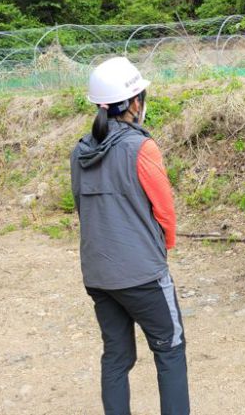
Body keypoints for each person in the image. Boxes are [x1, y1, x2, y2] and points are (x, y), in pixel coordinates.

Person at [70, 57, 190, 415]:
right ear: (135, 102)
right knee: (170, 349)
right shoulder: (142, 147)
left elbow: (82, 208)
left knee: (116, 356)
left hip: (98, 274)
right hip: (142, 274)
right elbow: (165, 211)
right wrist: (162, 249)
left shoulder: (80, 151)